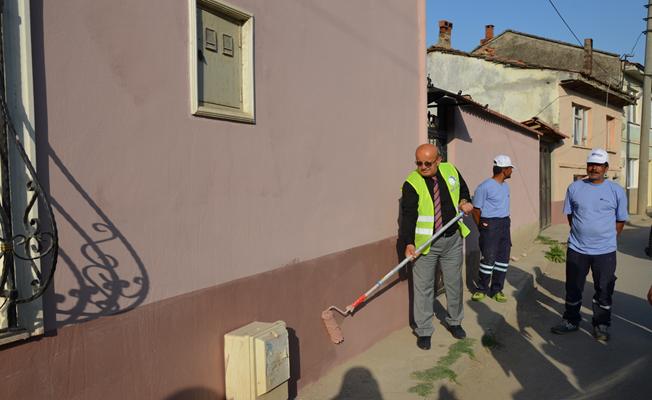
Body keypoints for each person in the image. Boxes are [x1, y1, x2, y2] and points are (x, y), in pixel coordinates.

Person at [399, 143, 474, 350]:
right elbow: (408, 216)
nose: (422, 167)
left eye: (427, 163)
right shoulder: (411, 183)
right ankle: (423, 331)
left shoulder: (450, 170)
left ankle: (455, 321)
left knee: (453, 283)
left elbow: (463, 190)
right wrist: (409, 243)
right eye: (419, 163)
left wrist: (465, 201)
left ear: (438, 160)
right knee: (423, 288)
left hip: (452, 239)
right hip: (426, 245)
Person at [550, 148, 628, 342]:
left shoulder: (616, 191)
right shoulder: (574, 188)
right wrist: (581, 233)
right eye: (591, 164)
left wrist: (609, 238)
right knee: (573, 286)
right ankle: (571, 320)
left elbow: (620, 220)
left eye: (598, 165)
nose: (594, 168)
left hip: (605, 251)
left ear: (606, 168)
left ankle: (601, 324)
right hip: (577, 249)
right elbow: (570, 215)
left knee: (604, 288)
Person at [470, 155, 514, 303]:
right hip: (490, 225)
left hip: (504, 224)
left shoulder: (505, 186)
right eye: (510, 169)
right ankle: (482, 288)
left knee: (502, 258)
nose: (511, 171)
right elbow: (476, 210)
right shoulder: (484, 187)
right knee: (488, 258)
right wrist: (482, 228)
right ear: (504, 170)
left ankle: (497, 289)